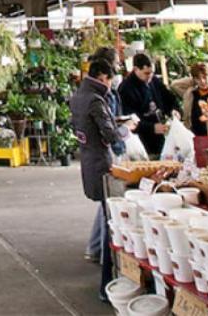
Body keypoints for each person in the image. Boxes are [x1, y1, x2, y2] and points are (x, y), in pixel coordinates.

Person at [71, 58, 123, 300]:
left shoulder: (78, 96)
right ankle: (106, 285)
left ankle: (103, 271)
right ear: (102, 77)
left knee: (105, 214)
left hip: (88, 161)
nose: (111, 84)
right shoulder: (94, 99)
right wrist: (122, 135)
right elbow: (108, 131)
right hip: (101, 163)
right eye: (110, 79)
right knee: (109, 219)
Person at [84, 47, 125, 264]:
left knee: (106, 202)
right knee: (108, 201)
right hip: (105, 153)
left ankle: (96, 248)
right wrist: (122, 133)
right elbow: (107, 128)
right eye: (116, 65)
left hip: (97, 154)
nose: (118, 70)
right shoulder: (99, 98)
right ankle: (101, 251)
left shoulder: (92, 95)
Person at [118, 52, 180, 157]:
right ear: (136, 69)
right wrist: (152, 128)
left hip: (161, 139)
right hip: (141, 141)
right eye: (146, 73)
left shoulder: (154, 80)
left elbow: (169, 98)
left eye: (152, 72)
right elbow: (127, 119)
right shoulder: (126, 89)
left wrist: (174, 110)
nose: (150, 76)